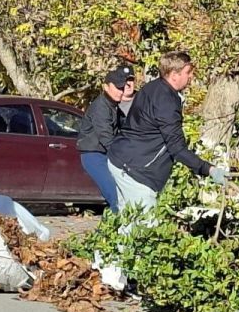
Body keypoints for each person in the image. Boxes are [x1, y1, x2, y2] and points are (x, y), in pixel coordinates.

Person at [107, 51, 227, 213]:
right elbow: (177, 148)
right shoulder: (166, 101)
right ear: (174, 74)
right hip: (135, 170)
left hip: (122, 159)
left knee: (127, 225)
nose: (191, 76)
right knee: (144, 229)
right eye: (188, 72)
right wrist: (209, 169)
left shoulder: (153, 88)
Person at [77, 64, 135, 213]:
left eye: (122, 88)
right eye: (117, 88)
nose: (120, 92)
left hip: (104, 155)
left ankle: (111, 230)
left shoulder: (113, 105)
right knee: (116, 197)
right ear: (106, 87)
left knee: (121, 196)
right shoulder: (101, 107)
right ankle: (117, 232)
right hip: (94, 156)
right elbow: (107, 138)